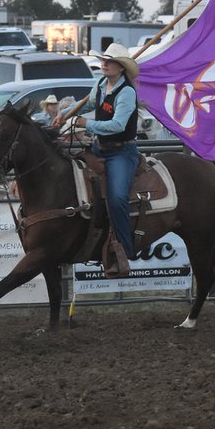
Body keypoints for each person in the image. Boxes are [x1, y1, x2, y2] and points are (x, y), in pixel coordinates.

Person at [53, 42, 140, 278]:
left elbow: (118, 125)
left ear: (121, 67)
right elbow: (89, 103)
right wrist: (66, 112)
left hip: (122, 152)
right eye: (103, 60)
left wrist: (86, 123)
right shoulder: (101, 83)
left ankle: (124, 248)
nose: (104, 63)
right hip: (99, 147)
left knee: (118, 197)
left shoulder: (127, 92)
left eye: (109, 61)